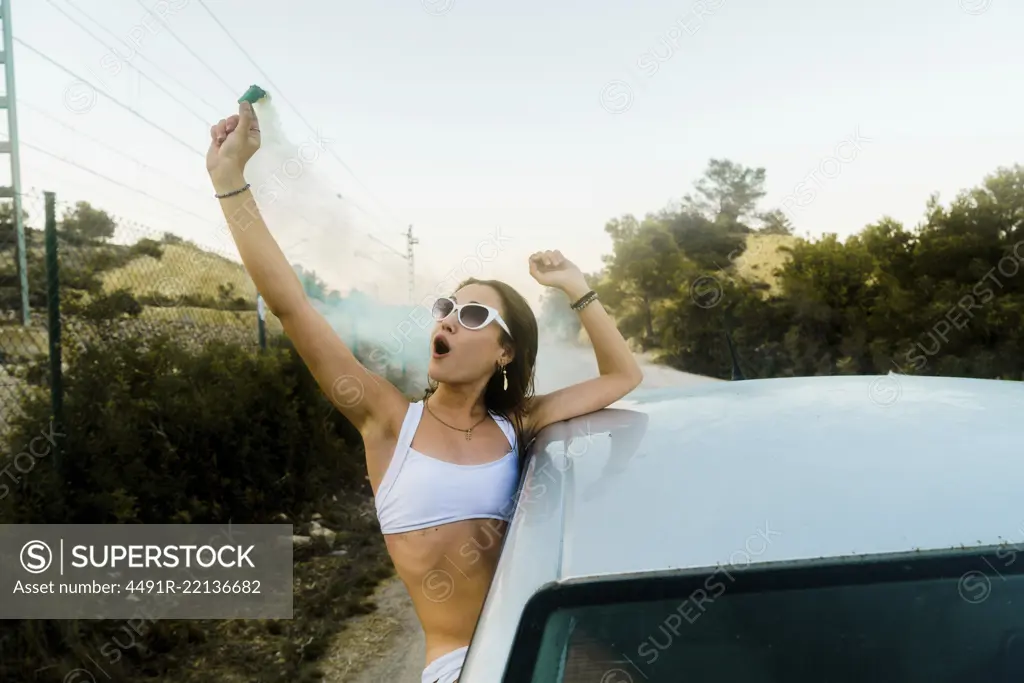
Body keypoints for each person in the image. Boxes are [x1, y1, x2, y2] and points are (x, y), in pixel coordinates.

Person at [206, 101, 644, 683]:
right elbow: (291, 305)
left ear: (505, 351)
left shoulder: (518, 423)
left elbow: (622, 378)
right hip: (465, 667)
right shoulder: (387, 420)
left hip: (550, 656)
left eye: (471, 314)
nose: (446, 321)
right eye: (445, 309)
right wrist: (229, 180)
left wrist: (576, 286)